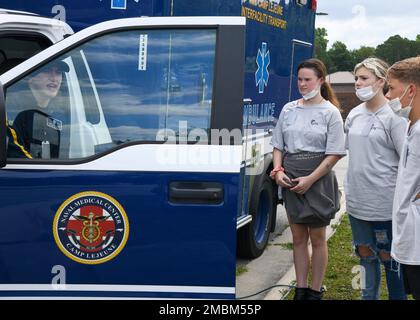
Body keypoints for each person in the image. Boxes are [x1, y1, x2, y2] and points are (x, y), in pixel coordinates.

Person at [270, 58, 346, 300]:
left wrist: (311, 179)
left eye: (307, 80)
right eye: (299, 79)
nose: (302, 84)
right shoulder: (289, 109)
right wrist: (278, 170)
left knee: (317, 237)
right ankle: (300, 289)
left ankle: (315, 291)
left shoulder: (331, 113)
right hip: (291, 178)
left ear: (320, 81)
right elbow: (278, 145)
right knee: (298, 237)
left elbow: (334, 153)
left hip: (318, 179)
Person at [344, 58, 407, 300]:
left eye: (364, 78)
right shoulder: (354, 115)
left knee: (389, 259)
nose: (358, 83)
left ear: (381, 81)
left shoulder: (395, 115)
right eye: (356, 79)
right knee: (364, 256)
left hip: (385, 205)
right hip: (358, 203)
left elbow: (407, 161)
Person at [386, 57, 420, 300]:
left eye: (391, 87)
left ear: (411, 90)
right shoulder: (410, 126)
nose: (387, 95)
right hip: (408, 233)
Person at [6, 60, 70, 159]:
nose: (54, 78)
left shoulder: (61, 114)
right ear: (31, 78)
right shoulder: (12, 110)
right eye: (47, 71)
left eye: (58, 72)